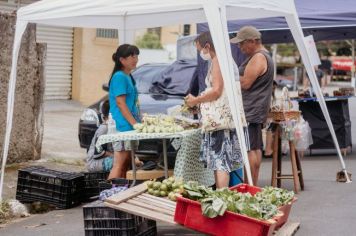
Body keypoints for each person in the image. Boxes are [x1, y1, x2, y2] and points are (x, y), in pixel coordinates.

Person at [185, 31, 243, 189]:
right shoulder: (226, 60)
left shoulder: (218, 61)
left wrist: (196, 100)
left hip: (220, 121)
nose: (200, 53)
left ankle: (221, 195)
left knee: (220, 161)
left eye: (200, 49)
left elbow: (217, 90)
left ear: (207, 46)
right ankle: (224, 194)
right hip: (227, 119)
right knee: (225, 159)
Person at [230, 26, 274, 186]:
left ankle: (250, 186)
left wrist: (228, 77)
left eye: (242, 44)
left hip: (250, 110)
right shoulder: (263, 56)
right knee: (254, 148)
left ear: (253, 41)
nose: (240, 48)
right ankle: (252, 185)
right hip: (255, 109)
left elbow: (246, 83)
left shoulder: (258, 58)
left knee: (249, 149)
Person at [107, 44, 141, 180]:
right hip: (122, 125)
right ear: (122, 60)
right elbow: (120, 103)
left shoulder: (128, 76)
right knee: (119, 164)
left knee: (125, 164)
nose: (136, 59)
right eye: (132, 56)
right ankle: (107, 195)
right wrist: (134, 124)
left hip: (128, 125)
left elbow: (132, 103)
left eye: (137, 55)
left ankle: (117, 192)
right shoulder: (119, 76)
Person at [86, 100, 114, 172]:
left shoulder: (114, 128)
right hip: (94, 162)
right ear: (105, 117)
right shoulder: (104, 128)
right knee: (120, 162)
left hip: (104, 159)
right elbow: (98, 153)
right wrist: (115, 155)